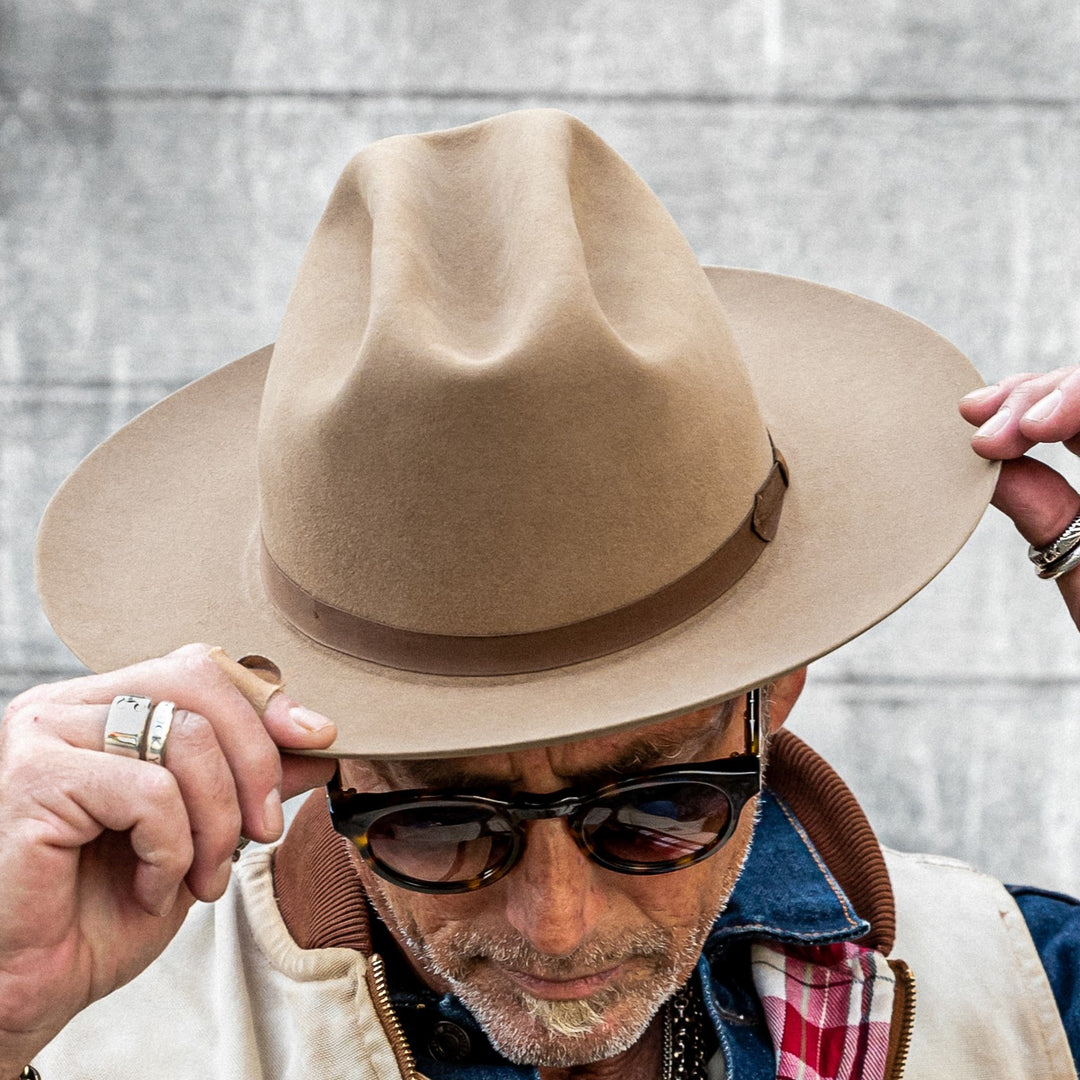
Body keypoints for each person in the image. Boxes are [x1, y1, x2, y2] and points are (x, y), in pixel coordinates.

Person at [1, 109, 1079, 1080]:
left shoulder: (1026, 1001)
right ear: (327, 755)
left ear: (777, 689)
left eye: (658, 808)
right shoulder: (87, 1036)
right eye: (438, 824)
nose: (555, 926)